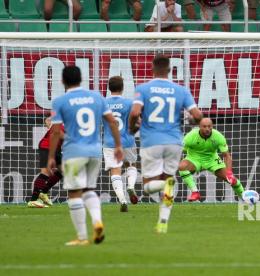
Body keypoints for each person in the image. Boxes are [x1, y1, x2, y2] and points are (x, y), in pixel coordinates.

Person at [48, 66, 123, 246]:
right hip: (95, 151)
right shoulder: (97, 97)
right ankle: (97, 221)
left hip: (74, 152)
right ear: (81, 79)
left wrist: (51, 156)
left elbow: (56, 132)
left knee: (75, 192)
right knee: (89, 189)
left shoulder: (60, 101)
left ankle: (82, 237)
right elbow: (112, 122)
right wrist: (118, 145)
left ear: (63, 81)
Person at [129, 56, 203, 234]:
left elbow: (134, 112)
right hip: (174, 142)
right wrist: (192, 120)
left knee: (148, 186)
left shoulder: (143, 89)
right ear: (170, 70)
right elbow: (198, 116)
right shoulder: (181, 90)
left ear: (152, 69)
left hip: (151, 141)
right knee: (168, 179)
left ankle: (164, 187)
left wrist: (133, 127)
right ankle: (163, 222)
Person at [179, 118, 245, 202]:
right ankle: (195, 192)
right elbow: (179, 150)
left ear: (212, 126)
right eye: (204, 126)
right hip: (194, 159)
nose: (207, 129)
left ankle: (244, 197)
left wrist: (229, 173)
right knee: (182, 167)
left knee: (232, 180)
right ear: (199, 127)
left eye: (209, 126)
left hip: (212, 160)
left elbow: (226, 155)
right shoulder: (190, 136)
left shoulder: (218, 136)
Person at [103, 76, 139, 213]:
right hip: (128, 140)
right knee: (131, 165)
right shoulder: (129, 103)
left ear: (108, 88)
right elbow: (136, 120)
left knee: (115, 170)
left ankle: (123, 200)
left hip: (110, 142)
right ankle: (130, 185)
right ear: (123, 88)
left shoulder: (103, 103)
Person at [27, 117, 64, 208]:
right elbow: (59, 133)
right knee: (46, 172)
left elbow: (48, 121)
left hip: (56, 148)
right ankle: (33, 200)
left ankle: (43, 192)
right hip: (47, 146)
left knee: (63, 170)